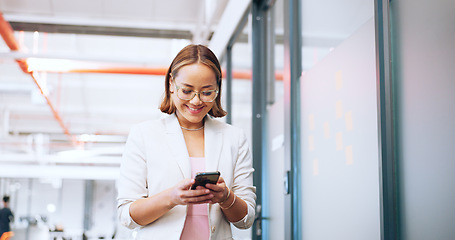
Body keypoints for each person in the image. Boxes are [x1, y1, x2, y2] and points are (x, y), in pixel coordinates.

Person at [117, 44, 256, 239]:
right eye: (187, 90)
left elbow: (246, 220)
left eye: (207, 92)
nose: (196, 101)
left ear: (218, 89)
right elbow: (127, 216)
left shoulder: (234, 138)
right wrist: (171, 198)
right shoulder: (144, 134)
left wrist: (226, 198)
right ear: (171, 84)